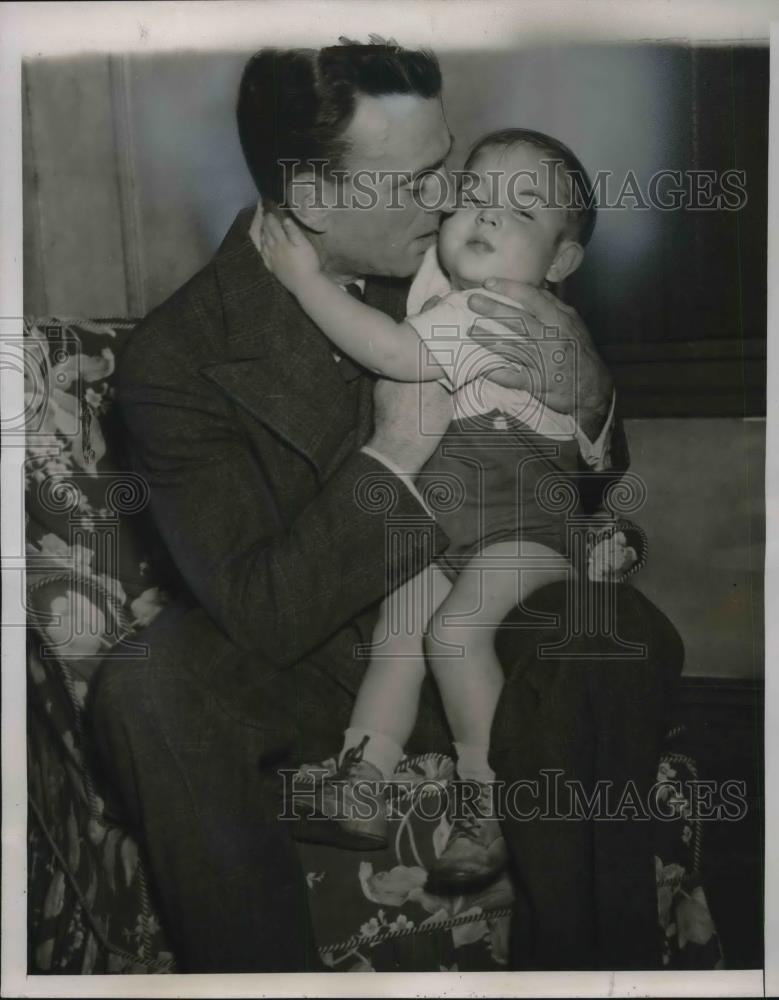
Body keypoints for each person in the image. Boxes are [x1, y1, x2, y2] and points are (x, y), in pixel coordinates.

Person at [90, 40, 683, 973]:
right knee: (148, 684)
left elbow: (575, 468)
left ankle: (589, 972)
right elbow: (261, 607)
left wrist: (587, 393)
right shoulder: (177, 360)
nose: (455, 199)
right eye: (419, 179)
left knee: (617, 638)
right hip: (321, 649)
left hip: (486, 601)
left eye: (449, 162)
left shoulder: (469, 261)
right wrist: (394, 449)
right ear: (316, 199)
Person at [259, 126, 641, 894]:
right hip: (444, 526)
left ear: (561, 262)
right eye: (474, 195)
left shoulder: (499, 311)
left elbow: (397, 356)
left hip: (522, 524)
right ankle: (362, 775)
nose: (488, 216)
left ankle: (489, 797)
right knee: (399, 632)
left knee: (452, 630)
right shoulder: (451, 286)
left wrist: (305, 281)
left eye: (522, 212)